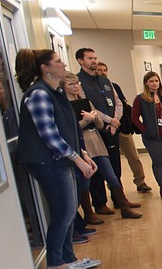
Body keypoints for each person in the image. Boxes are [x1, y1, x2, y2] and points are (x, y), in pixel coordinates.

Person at [13, 49, 101, 269]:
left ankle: (68, 258)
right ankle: (55, 263)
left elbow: (66, 128)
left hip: (61, 159)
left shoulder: (56, 91)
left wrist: (82, 153)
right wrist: (76, 160)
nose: (63, 64)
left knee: (70, 210)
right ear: (45, 67)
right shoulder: (39, 94)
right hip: (47, 161)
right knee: (63, 211)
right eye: (58, 61)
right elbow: (49, 134)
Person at [63, 74, 142, 219]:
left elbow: (99, 124)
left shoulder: (85, 101)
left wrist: (95, 118)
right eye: (71, 84)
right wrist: (87, 121)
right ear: (64, 87)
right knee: (86, 180)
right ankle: (89, 213)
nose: (76, 87)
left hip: (97, 142)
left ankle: (124, 206)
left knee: (111, 175)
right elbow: (70, 129)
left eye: (77, 83)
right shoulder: (64, 106)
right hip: (81, 145)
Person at [75, 48, 123, 214]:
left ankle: (119, 200)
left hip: (112, 130)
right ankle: (100, 203)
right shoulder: (78, 82)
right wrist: (110, 120)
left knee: (115, 166)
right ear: (81, 61)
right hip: (93, 132)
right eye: (90, 58)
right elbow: (90, 108)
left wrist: (114, 123)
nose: (94, 61)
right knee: (97, 170)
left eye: (95, 57)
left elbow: (118, 102)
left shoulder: (105, 81)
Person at [96, 61, 152, 193]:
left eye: (105, 70)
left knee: (133, 155)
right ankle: (115, 187)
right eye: (99, 70)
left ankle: (140, 181)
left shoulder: (113, 86)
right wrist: (109, 122)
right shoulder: (94, 89)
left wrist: (115, 120)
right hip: (105, 130)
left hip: (122, 128)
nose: (103, 72)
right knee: (112, 160)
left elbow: (121, 104)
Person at [131, 71, 162, 200]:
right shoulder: (140, 99)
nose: (154, 83)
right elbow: (134, 118)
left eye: (156, 81)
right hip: (152, 137)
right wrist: (145, 130)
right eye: (151, 81)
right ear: (146, 83)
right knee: (158, 162)